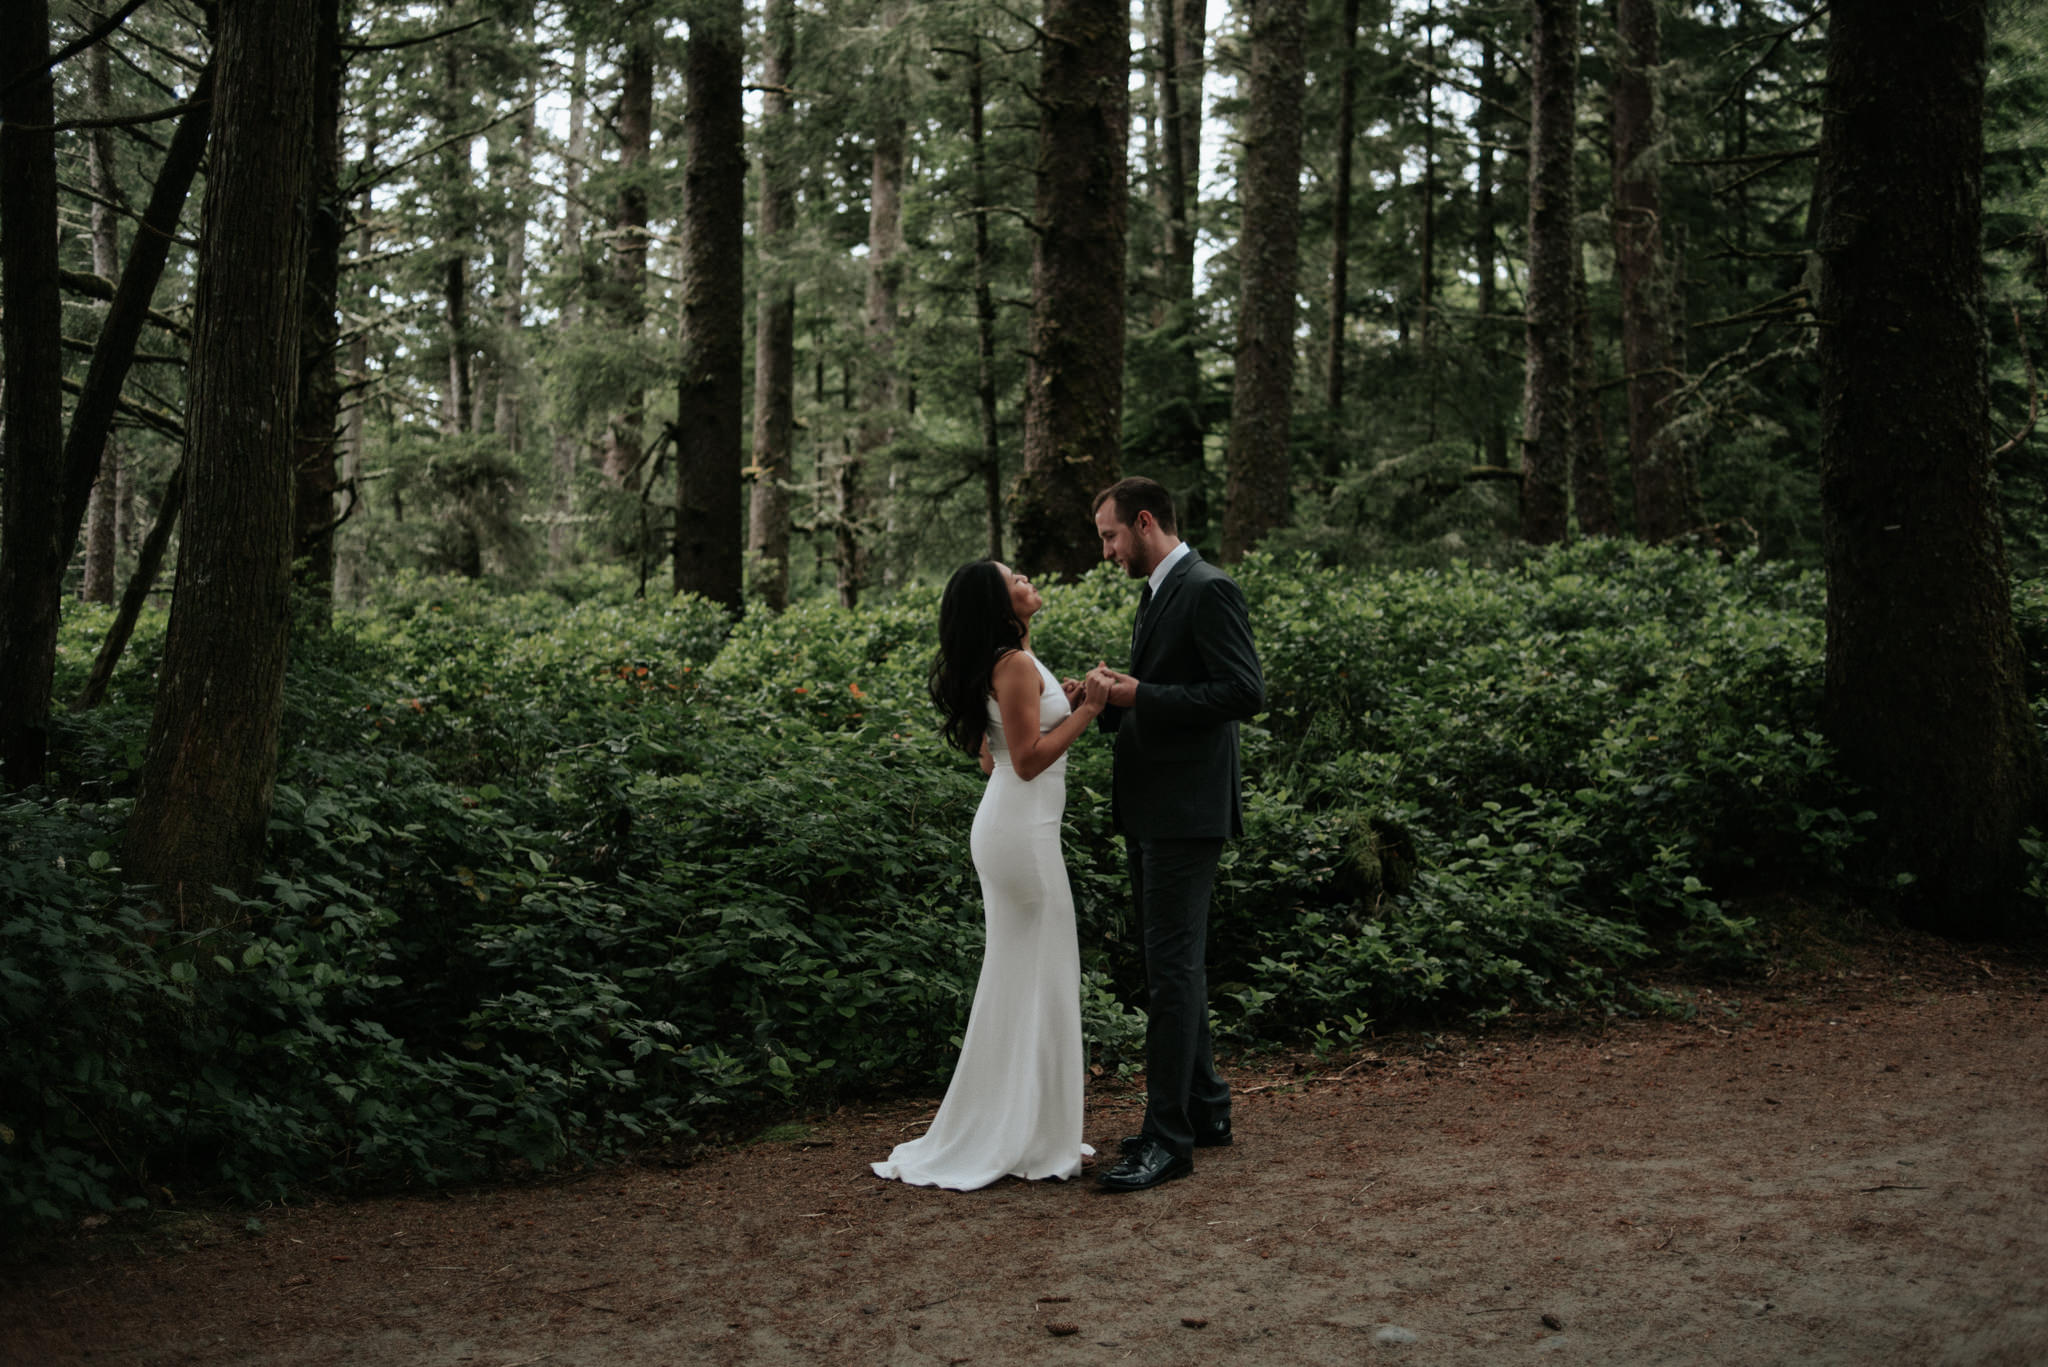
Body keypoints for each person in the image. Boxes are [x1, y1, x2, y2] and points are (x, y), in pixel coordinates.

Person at [870, 560, 1109, 1190]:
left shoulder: (1012, 662)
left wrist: (1072, 703)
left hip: (1016, 828)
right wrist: (1092, 711)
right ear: (1001, 605)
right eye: (1017, 578)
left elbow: (991, 757)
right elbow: (1025, 763)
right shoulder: (1014, 664)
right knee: (1041, 974)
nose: (1031, 580)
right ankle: (1026, 1132)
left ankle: (1031, 1127)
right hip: (1021, 833)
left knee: (1029, 976)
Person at [1083, 477, 1264, 1193]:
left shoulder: (1207, 587)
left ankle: (1168, 1139)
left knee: (1170, 973)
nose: (1106, 550)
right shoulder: (1159, 590)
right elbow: (1173, 688)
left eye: (1110, 535)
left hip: (1186, 814)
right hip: (1158, 808)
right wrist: (1115, 693)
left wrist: (1140, 695)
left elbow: (1243, 691)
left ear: (1145, 521)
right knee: (1176, 968)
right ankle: (1206, 1110)